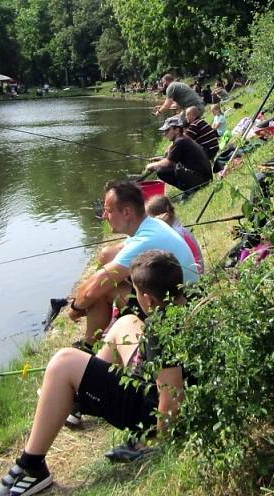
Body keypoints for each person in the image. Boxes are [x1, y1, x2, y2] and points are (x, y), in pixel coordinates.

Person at [0, 250, 188, 496]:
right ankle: (78, 396)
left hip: (149, 413)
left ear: (147, 299)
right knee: (125, 324)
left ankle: (31, 467)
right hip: (155, 388)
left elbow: (171, 403)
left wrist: (152, 443)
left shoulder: (162, 332)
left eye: (135, 293)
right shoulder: (189, 303)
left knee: (62, 362)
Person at [66, 181, 198, 345]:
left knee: (104, 290)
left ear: (127, 212)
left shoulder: (144, 240)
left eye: (108, 211)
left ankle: (88, 345)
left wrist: (75, 308)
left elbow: (91, 291)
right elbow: (109, 255)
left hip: (179, 309)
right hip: (182, 295)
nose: (104, 216)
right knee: (106, 268)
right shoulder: (150, 224)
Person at [145, 117, 213, 193]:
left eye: (167, 130)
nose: (165, 134)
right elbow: (172, 158)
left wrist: (153, 165)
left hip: (202, 180)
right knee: (166, 166)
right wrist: (160, 160)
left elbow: (169, 163)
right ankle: (189, 188)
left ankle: (189, 190)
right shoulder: (183, 139)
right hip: (205, 178)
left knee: (161, 171)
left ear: (177, 130)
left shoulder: (180, 142)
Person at [145, 195, 204, 273]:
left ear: (164, 216)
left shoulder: (175, 233)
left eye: (152, 220)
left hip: (194, 273)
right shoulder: (175, 228)